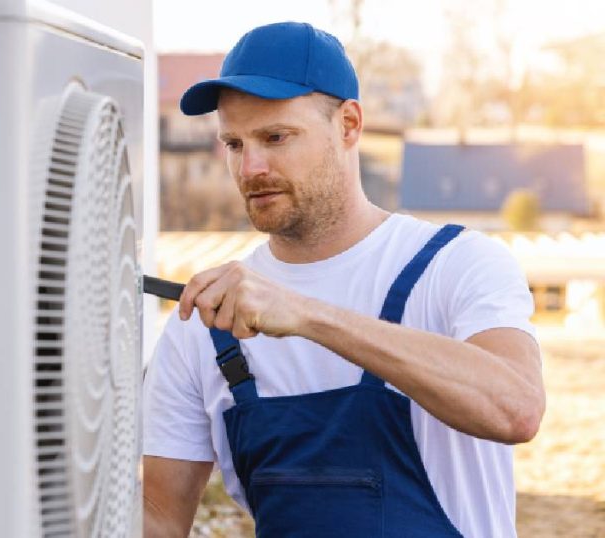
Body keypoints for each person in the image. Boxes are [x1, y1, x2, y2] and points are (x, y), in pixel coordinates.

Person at [142, 21, 545, 538]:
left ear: (349, 125)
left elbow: (516, 409)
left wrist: (309, 315)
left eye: (276, 137)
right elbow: (158, 519)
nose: (250, 167)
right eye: (234, 144)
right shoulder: (204, 322)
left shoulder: (455, 263)